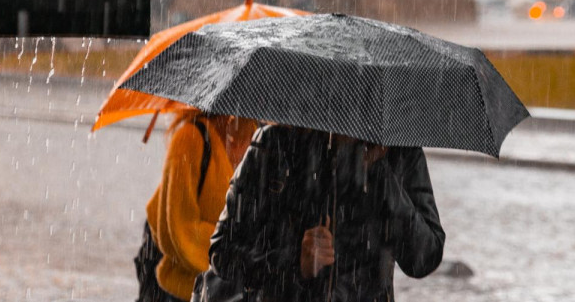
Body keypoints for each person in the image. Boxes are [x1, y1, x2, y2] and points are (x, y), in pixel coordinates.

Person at [206, 124, 444, 302]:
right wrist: (293, 263)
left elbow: (423, 258)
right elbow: (222, 251)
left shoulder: (399, 152)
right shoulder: (276, 142)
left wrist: (379, 173)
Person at [141, 113, 259, 302]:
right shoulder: (190, 138)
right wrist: (231, 252)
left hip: (233, 292)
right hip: (186, 291)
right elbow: (180, 229)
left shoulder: (258, 138)